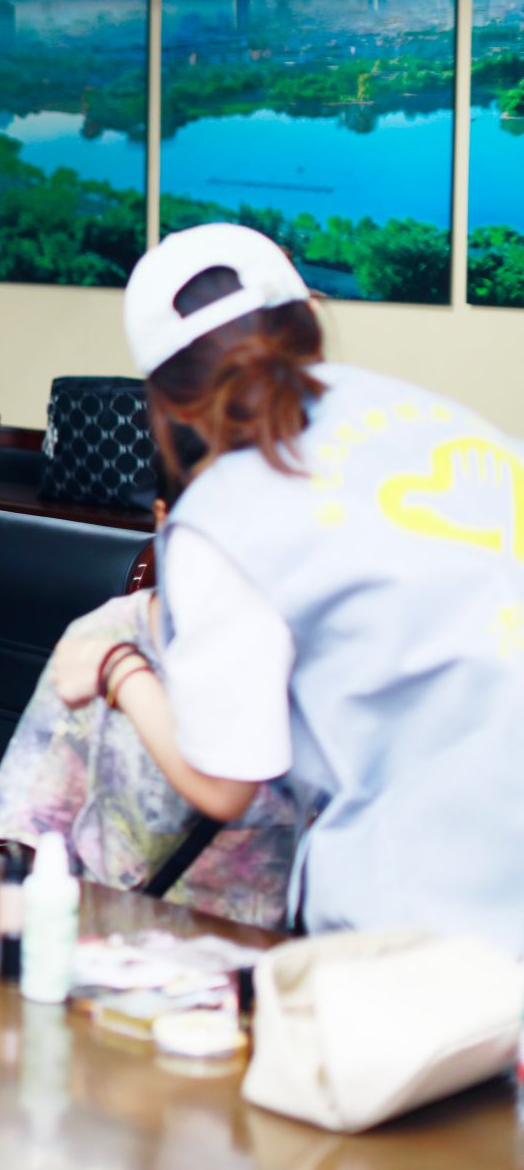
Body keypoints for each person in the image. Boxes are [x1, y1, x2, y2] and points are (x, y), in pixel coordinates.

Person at [52, 222, 524, 950]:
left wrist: (117, 669)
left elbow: (225, 780)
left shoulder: (224, 516)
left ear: (168, 398)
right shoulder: (437, 417)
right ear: (308, 318)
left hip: (436, 909)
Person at [0, 585, 303, 929]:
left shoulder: (307, 645)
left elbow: (230, 793)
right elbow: (38, 834)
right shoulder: (105, 637)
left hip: (262, 944)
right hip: (110, 931)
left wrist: (122, 673)